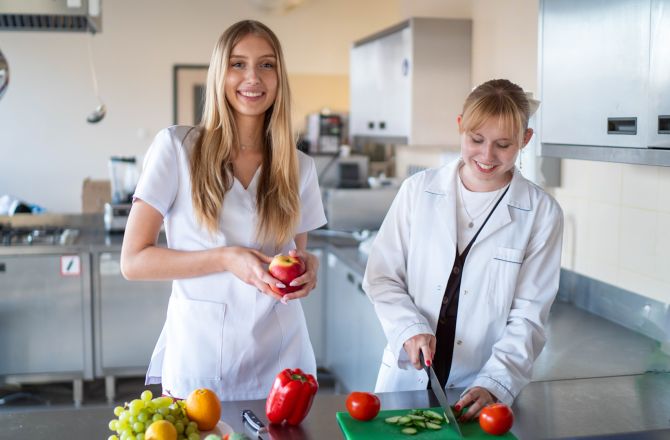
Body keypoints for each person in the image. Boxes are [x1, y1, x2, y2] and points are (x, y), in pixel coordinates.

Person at [120, 20, 326, 401]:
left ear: (279, 77)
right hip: (202, 361)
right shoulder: (177, 148)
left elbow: (293, 256)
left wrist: (307, 268)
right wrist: (226, 258)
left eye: (266, 65)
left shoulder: (299, 167)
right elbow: (133, 261)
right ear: (220, 74)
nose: (253, 77)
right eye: (237, 64)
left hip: (282, 364)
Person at [363, 79, 563, 421]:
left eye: (503, 144)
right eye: (476, 140)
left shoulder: (540, 212)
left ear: (525, 141)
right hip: (405, 380)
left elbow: (528, 316)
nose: (487, 156)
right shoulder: (418, 191)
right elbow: (382, 277)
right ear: (460, 127)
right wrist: (409, 327)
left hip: (478, 389)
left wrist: (495, 383)